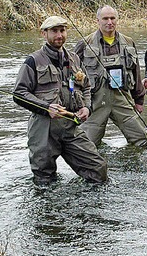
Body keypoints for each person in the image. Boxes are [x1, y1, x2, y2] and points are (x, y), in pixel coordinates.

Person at [13, 16, 107, 184]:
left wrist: (86, 107)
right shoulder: (32, 61)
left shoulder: (74, 59)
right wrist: (46, 107)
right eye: (54, 31)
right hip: (43, 129)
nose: (59, 35)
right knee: (44, 179)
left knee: (98, 170)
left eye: (62, 30)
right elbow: (19, 93)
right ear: (44, 34)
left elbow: (86, 87)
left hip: (71, 126)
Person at [75, 5, 147, 147]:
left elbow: (136, 73)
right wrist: (78, 104)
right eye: (105, 18)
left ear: (117, 20)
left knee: (143, 141)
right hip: (95, 104)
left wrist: (139, 100)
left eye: (112, 18)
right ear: (98, 21)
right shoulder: (84, 44)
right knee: (86, 147)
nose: (109, 22)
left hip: (122, 101)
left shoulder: (128, 42)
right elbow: (72, 76)